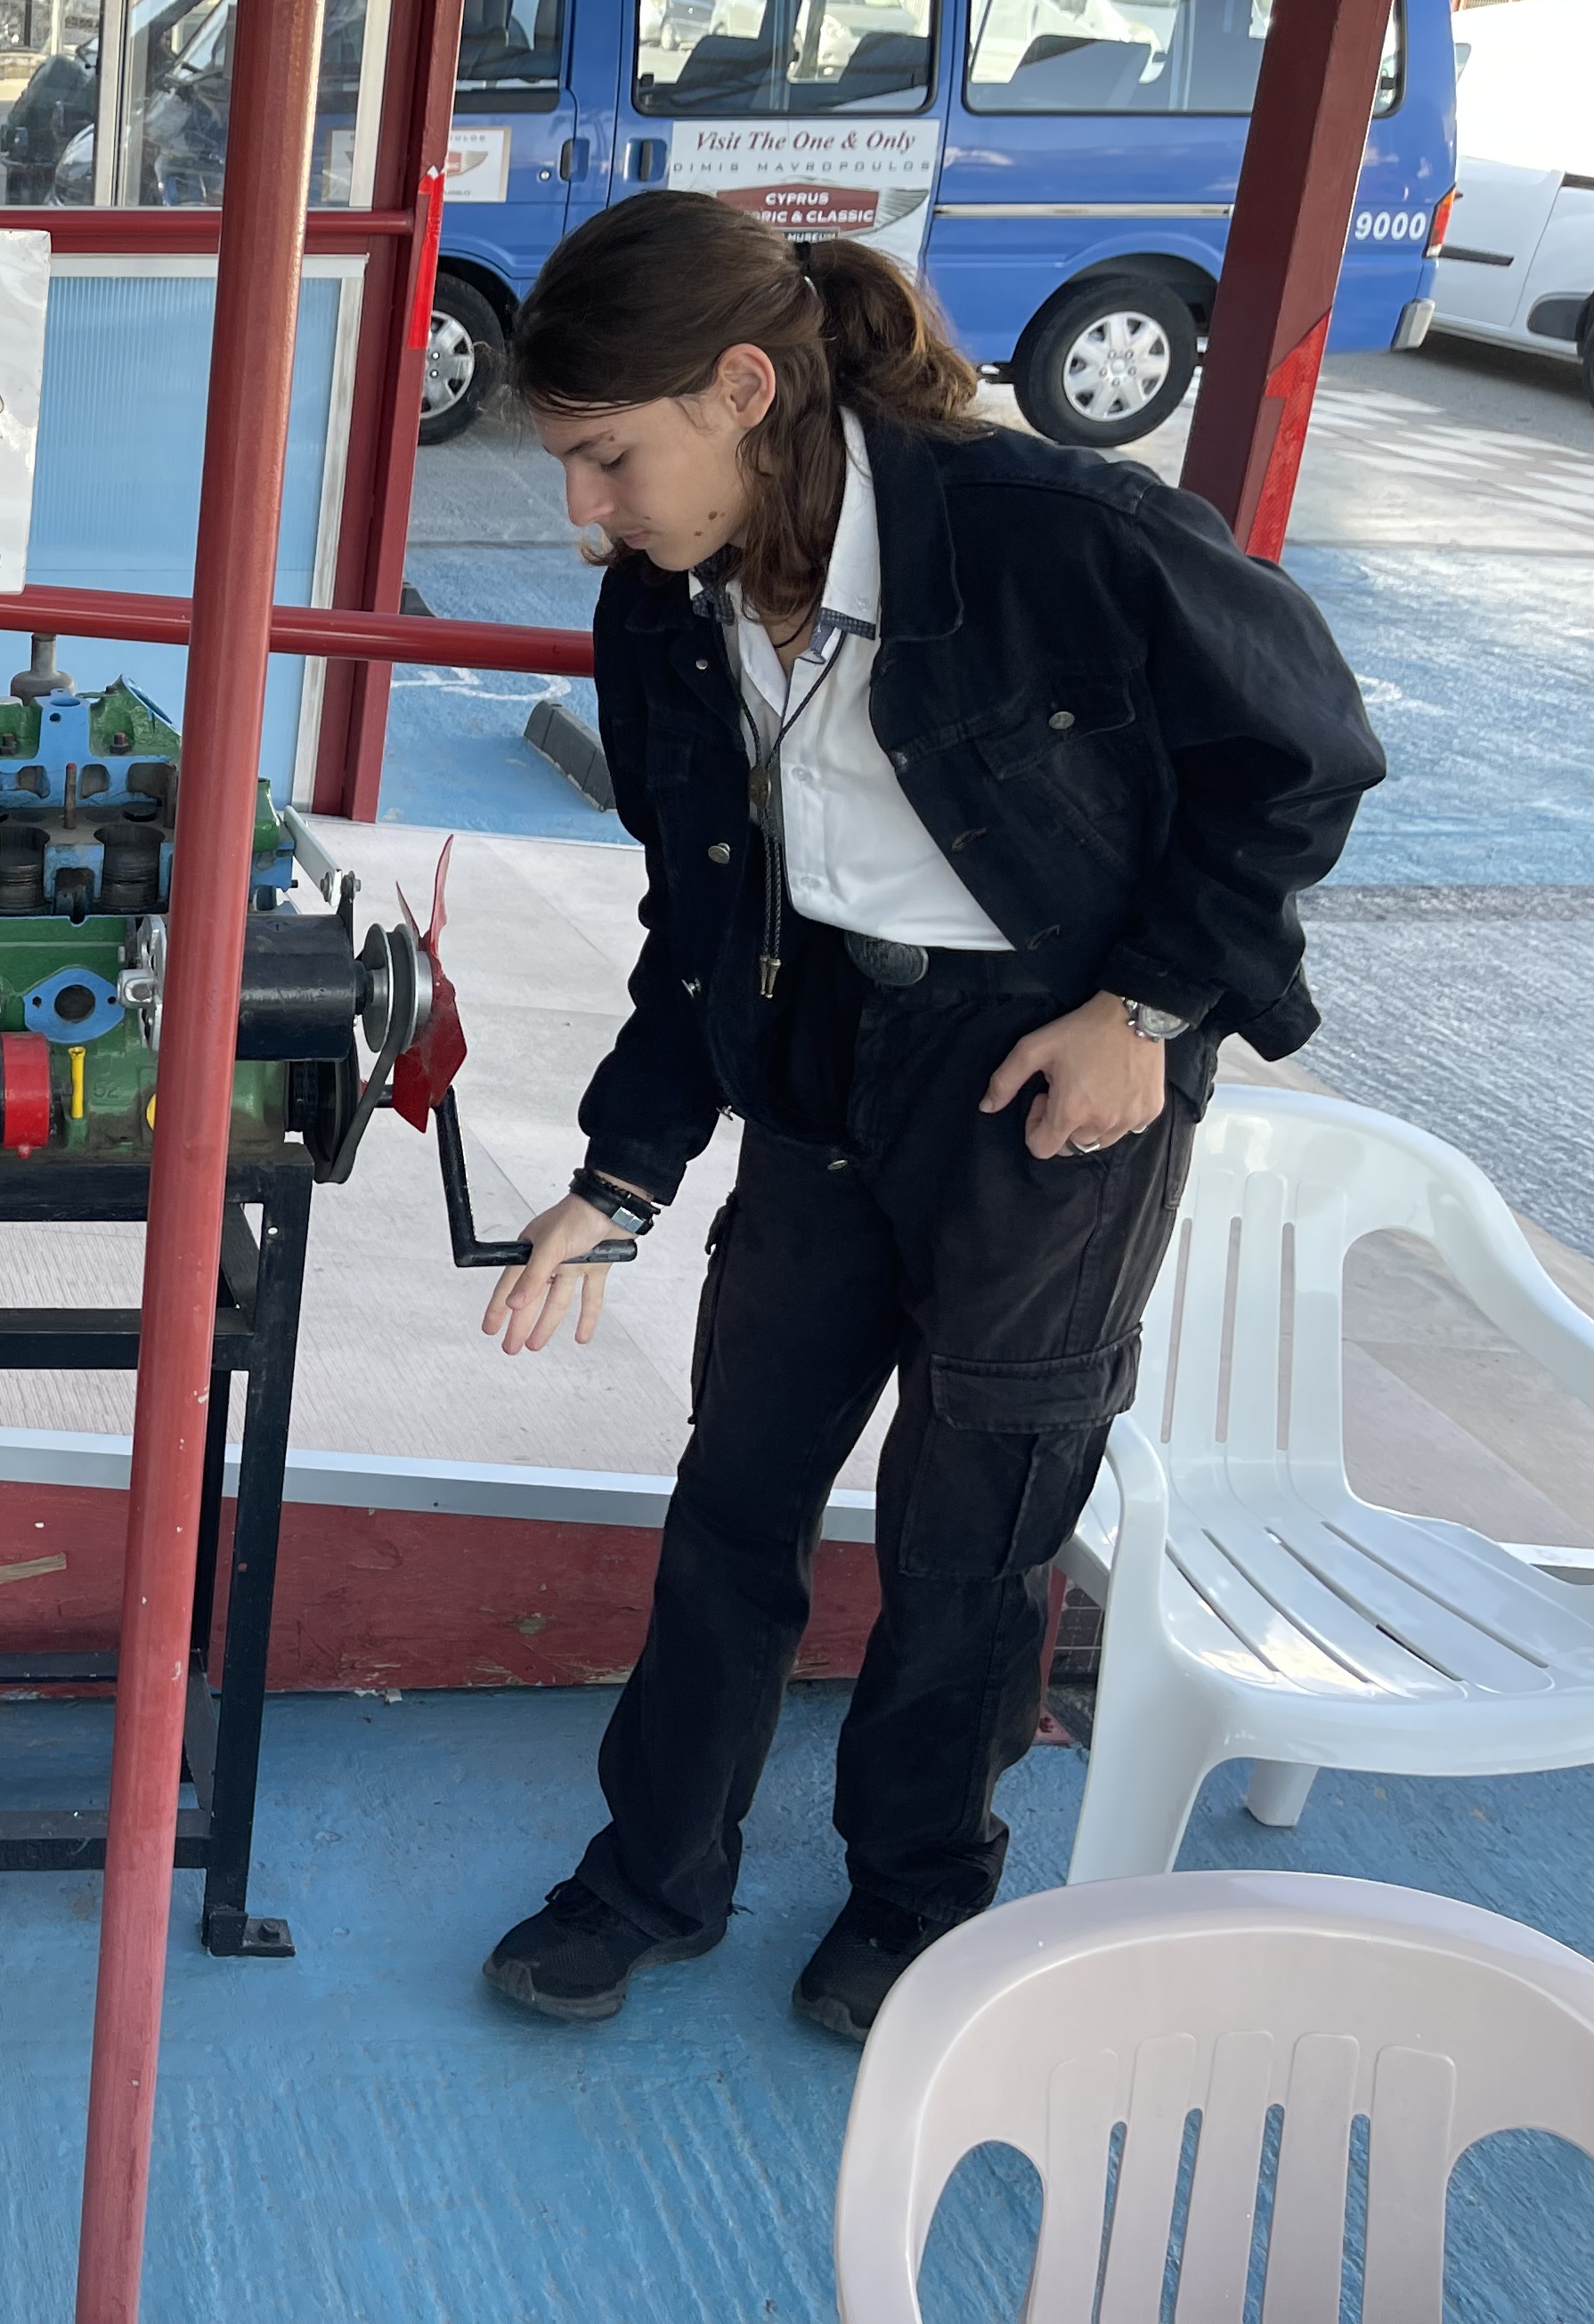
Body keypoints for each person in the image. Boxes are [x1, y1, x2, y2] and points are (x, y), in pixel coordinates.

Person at [474, 191, 1382, 2041]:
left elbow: (1302, 762)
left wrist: (1147, 1008)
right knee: (737, 1490)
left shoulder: (1058, 533)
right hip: (818, 1051)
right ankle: (653, 1875)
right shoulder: (665, 609)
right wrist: (621, 1173)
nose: (585, 514)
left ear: (743, 390)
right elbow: (696, 912)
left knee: (975, 1527)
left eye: (608, 457)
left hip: (1048, 1079)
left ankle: (913, 1899)